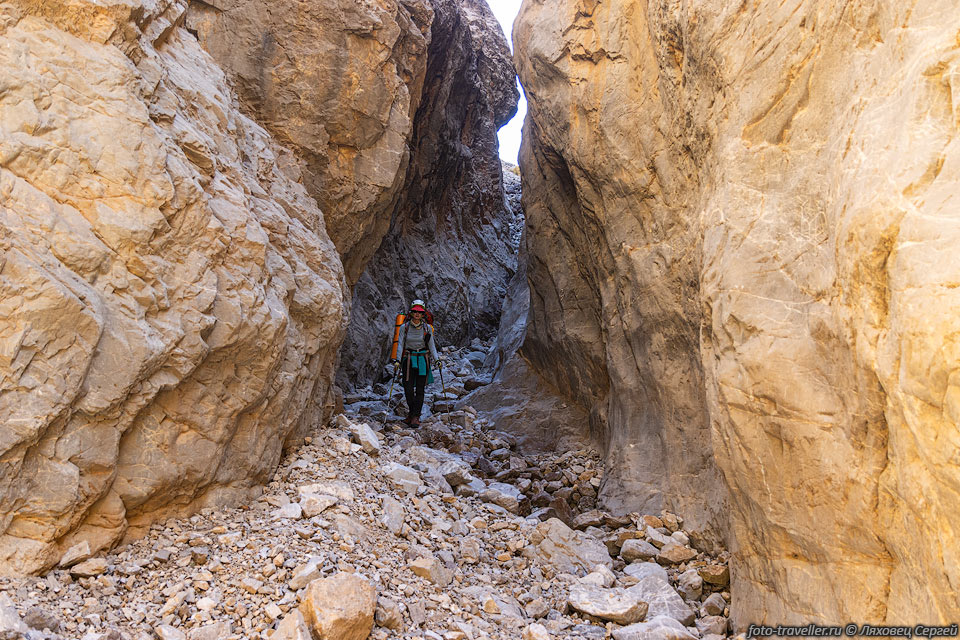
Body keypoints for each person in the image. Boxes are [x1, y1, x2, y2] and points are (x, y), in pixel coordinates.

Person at [393, 300, 440, 426]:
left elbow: (432, 346)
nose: (417, 314)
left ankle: (415, 416)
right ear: (411, 313)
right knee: (408, 389)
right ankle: (412, 414)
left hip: (423, 359)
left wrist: (437, 360)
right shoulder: (405, 327)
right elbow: (400, 344)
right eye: (415, 311)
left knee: (420, 390)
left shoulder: (427, 328)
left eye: (419, 312)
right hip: (408, 359)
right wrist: (397, 360)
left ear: (423, 313)